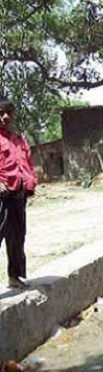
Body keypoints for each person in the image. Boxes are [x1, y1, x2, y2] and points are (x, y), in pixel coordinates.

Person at [0, 99, 38, 288]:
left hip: (18, 196)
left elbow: (29, 164)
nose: (5, 116)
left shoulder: (19, 139)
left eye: (8, 112)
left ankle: (14, 277)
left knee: (17, 237)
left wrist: (30, 183)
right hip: (1, 196)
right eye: (1, 113)